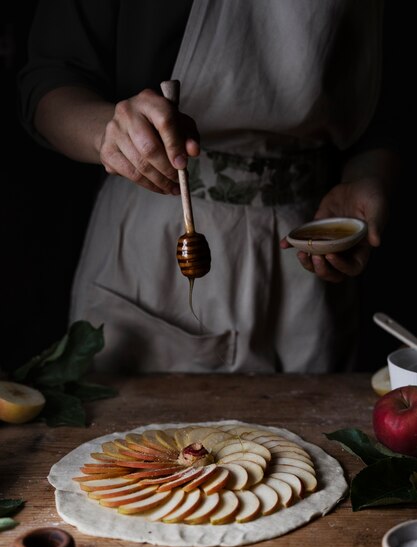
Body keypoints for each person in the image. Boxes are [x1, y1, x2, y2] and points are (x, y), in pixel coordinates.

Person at [18, 0, 401, 374]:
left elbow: (390, 97)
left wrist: (368, 175)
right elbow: (49, 79)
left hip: (306, 242)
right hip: (150, 250)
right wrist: (110, 132)